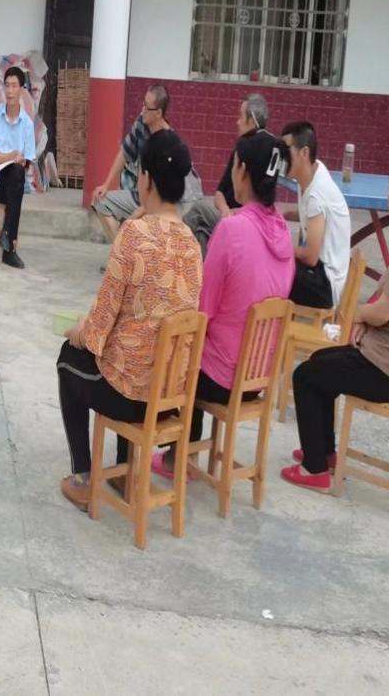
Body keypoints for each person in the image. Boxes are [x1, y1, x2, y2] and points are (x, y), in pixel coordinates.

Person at [283, 153, 389, 491]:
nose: (388, 195)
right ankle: (323, 452)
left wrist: (357, 315)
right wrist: (365, 323)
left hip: (385, 371)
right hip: (386, 360)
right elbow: (387, 306)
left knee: (305, 376)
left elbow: (383, 311)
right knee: (321, 362)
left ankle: (315, 470)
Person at [57, 130, 203, 511]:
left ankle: (84, 478)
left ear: (147, 179)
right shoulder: (192, 245)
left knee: (69, 359)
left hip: (129, 398)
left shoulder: (134, 236)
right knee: (135, 349)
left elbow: (98, 329)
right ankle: (124, 475)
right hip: (169, 397)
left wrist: (77, 330)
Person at [151, 132, 296, 479]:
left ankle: (176, 455)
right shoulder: (283, 232)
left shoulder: (233, 229)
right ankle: (184, 451)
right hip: (258, 375)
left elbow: (203, 310)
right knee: (202, 346)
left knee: (171, 349)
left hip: (222, 377)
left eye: (233, 164)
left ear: (241, 170)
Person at [91, 83, 202, 245]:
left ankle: (129, 250)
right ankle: (120, 251)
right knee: (101, 201)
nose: (142, 110)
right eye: (143, 104)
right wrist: (106, 184)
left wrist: (134, 217)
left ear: (159, 113)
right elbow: (125, 152)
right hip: (142, 195)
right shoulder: (141, 125)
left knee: (150, 228)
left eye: (147, 107)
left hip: (166, 203)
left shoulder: (168, 143)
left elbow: (161, 195)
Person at [182, 93, 269, 256]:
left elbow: (261, 205)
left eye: (241, 117)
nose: (237, 122)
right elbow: (219, 193)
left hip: (246, 223)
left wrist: (236, 214)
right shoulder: (239, 150)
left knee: (199, 209)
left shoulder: (264, 154)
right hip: (229, 217)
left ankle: (169, 249)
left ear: (252, 121)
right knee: (201, 234)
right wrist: (225, 211)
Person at [282, 121, 351, 310]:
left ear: (304, 153)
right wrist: (285, 214)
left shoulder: (316, 194)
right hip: (322, 272)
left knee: (270, 266)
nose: (282, 157)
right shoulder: (312, 171)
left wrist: (279, 247)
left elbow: (310, 256)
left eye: (286, 151)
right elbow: (314, 215)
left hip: (326, 285)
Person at [0, 66, 34, 269]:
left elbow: (27, 162)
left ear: (21, 90)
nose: (10, 91)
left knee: (18, 172)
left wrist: (19, 161)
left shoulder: (27, 124)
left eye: (14, 86)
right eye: (7, 86)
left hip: (14, 180)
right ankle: (9, 248)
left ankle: (6, 237)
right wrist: (10, 156)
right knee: (16, 182)